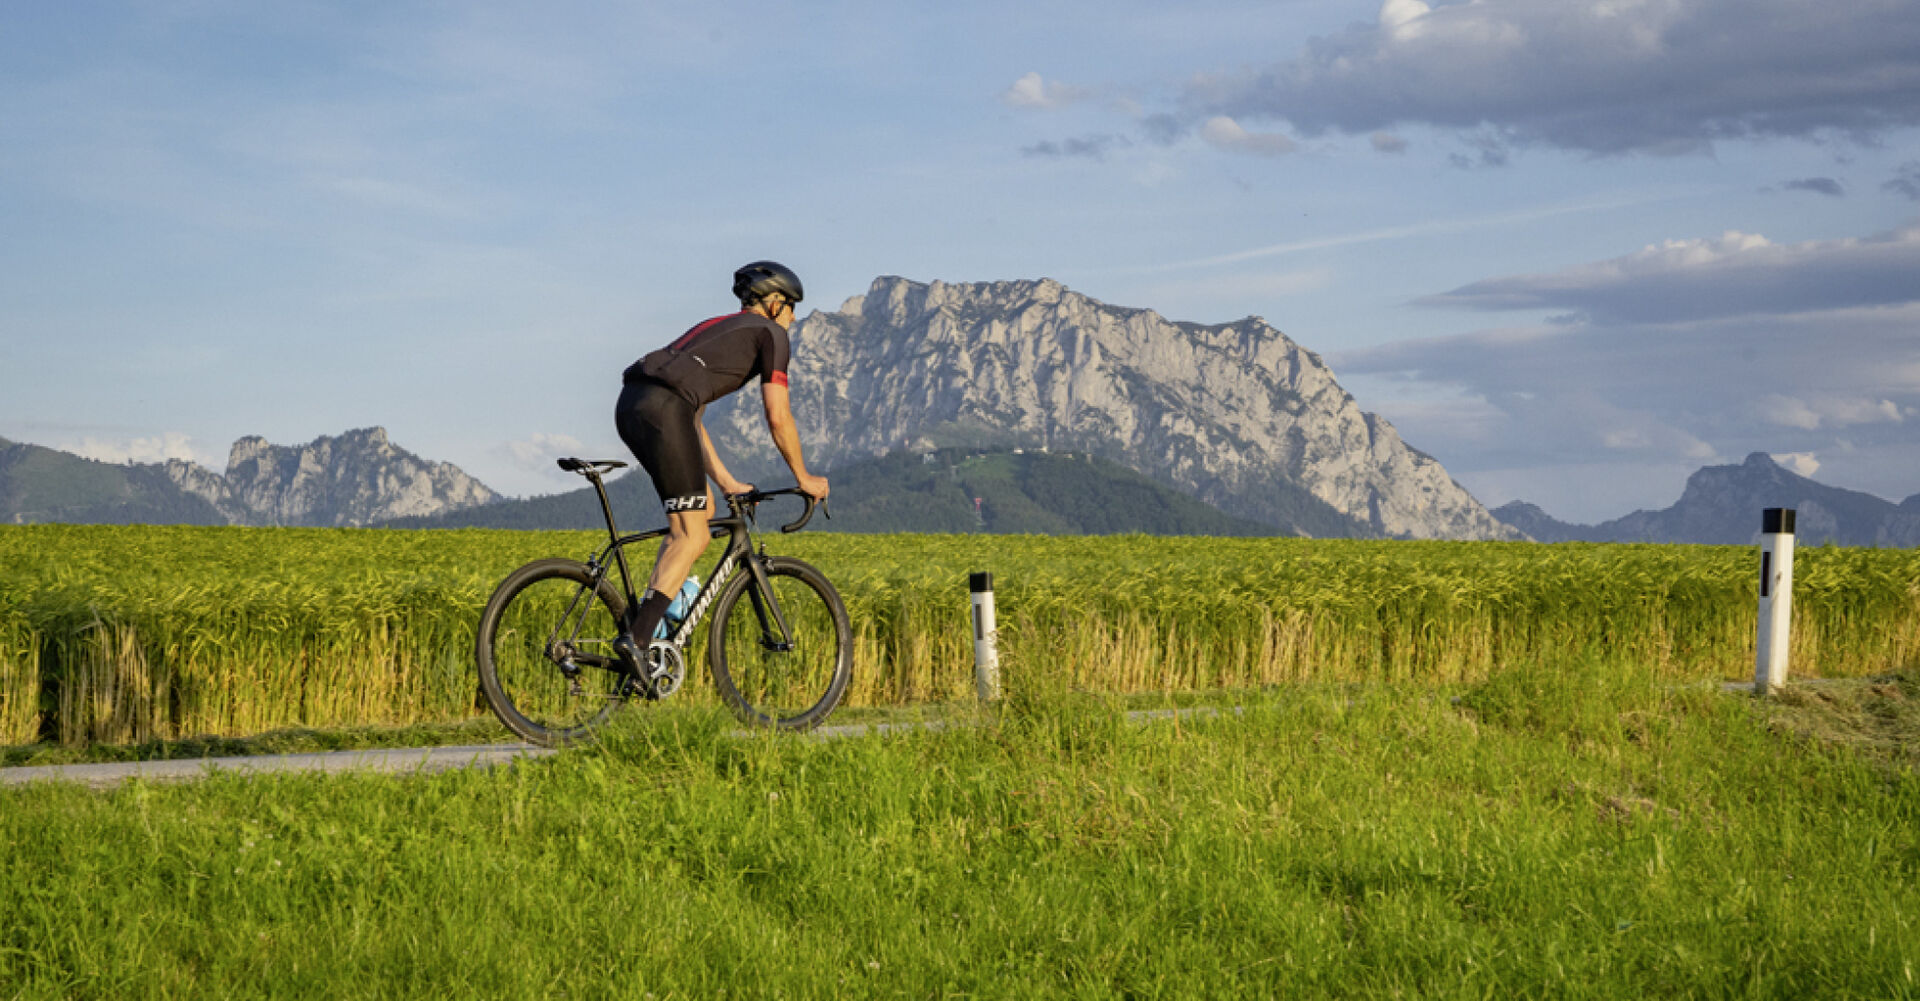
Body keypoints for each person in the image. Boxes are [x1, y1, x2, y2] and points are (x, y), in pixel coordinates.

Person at [611, 260, 830, 674]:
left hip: (632, 405)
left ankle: (651, 626)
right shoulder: (772, 335)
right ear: (774, 303)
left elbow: (691, 419)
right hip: (664, 409)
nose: (794, 318)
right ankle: (638, 640)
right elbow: (778, 415)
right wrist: (803, 477)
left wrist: (727, 481)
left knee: (700, 512)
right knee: (693, 533)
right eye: (791, 307)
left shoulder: (719, 328)